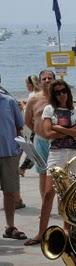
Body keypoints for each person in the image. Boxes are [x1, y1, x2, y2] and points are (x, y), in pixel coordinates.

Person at [24, 79, 76, 246]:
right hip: (56, 153)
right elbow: (47, 133)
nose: (61, 95)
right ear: (53, 94)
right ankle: (41, 233)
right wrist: (68, 132)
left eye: (63, 91)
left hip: (74, 153)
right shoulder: (49, 109)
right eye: (57, 92)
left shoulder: (75, 109)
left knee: (69, 193)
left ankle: (66, 230)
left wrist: (59, 128)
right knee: (49, 193)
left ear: (68, 92)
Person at [0, 90, 27, 241]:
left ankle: (10, 227)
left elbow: (19, 126)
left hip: (9, 154)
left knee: (10, 192)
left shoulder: (9, 101)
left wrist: (17, 150)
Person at [24, 70, 55, 200]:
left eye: (50, 78)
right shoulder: (34, 99)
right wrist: (39, 130)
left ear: (54, 79)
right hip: (40, 140)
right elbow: (27, 120)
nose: (47, 80)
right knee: (42, 173)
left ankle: (62, 206)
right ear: (40, 81)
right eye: (44, 79)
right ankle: (44, 204)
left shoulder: (60, 96)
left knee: (58, 174)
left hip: (57, 141)